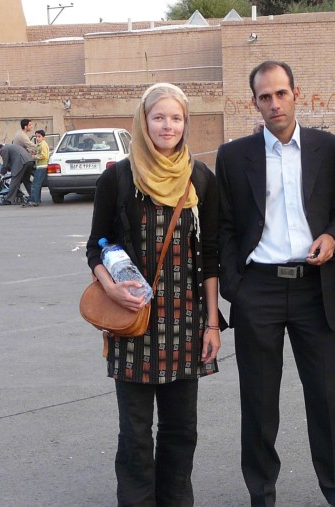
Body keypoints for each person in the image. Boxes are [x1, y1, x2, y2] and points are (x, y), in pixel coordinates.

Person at [217, 61, 335, 507]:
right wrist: (237, 287)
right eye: (264, 97)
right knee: (258, 404)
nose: (274, 104)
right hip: (259, 288)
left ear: (297, 93)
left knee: (327, 400)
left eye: (281, 93)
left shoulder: (326, 147)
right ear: (254, 102)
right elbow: (225, 228)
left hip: (315, 288)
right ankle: (262, 495)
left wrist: (333, 237)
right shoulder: (234, 156)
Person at [86, 83, 221, 506]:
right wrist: (110, 286)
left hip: (186, 322)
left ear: (186, 123)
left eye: (176, 118)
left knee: (182, 430)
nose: (168, 126)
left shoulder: (200, 178)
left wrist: (212, 323)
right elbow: (97, 244)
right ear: (143, 122)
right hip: (133, 324)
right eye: (159, 117)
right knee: (136, 433)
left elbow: (212, 255)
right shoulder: (118, 177)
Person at [26, 129, 49, 206]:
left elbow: (44, 155)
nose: (37, 138)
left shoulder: (43, 144)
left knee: (35, 185)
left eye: (39, 136)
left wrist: (34, 156)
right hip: (40, 166)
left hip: (42, 166)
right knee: (37, 184)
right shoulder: (40, 145)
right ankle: (36, 200)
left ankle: (35, 201)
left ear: (43, 137)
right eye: (36, 137)